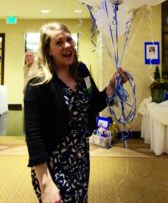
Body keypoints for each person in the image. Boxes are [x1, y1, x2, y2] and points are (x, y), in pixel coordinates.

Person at [24, 22, 127, 203]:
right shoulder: (38, 84)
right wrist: (46, 182)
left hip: (80, 159)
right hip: (53, 164)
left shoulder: (82, 71)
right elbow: (33, 135)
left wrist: (112, 85)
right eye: (59, 42)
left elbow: (94, 103)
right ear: (48, 50)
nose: (67, 45)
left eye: (69, 39)